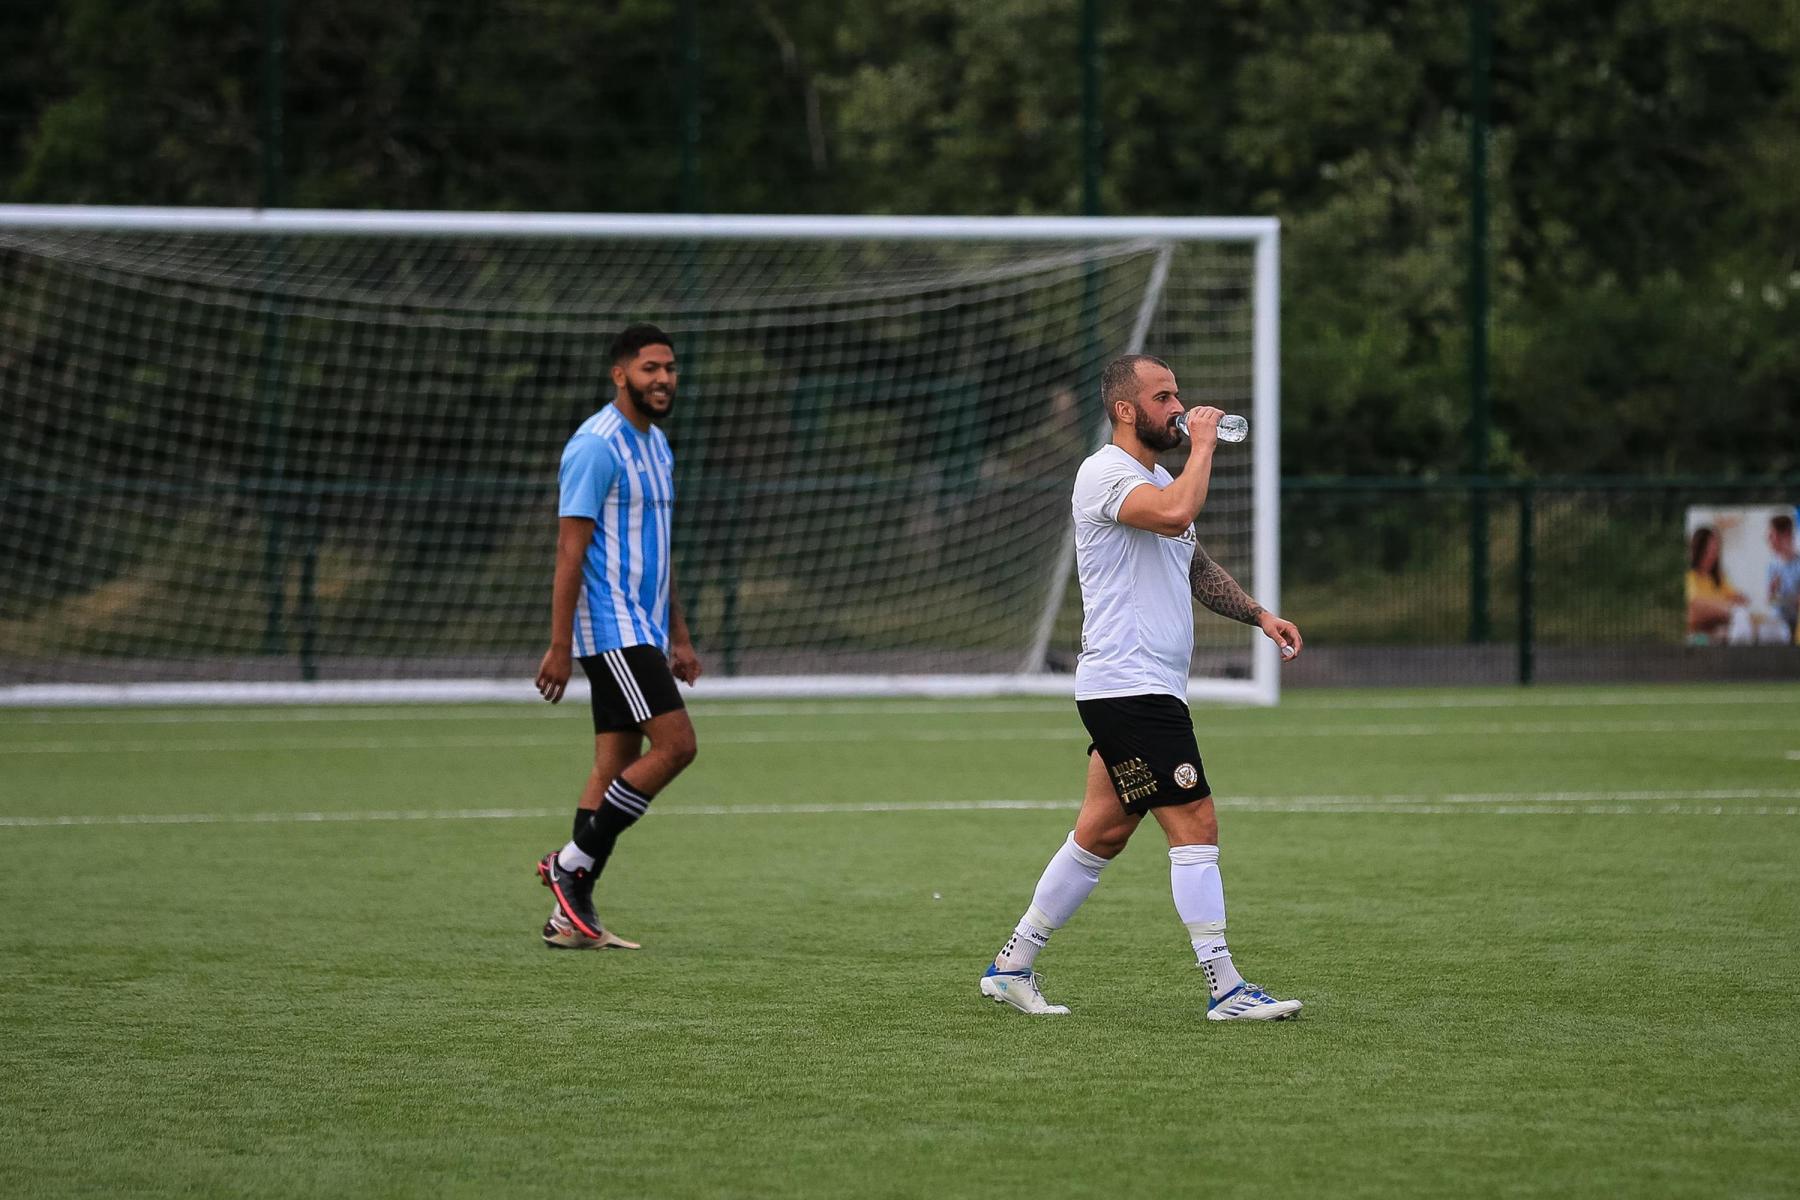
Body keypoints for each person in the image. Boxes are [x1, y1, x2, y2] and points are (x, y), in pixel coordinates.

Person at [979, 354, 1305, 1021]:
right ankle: (1226, 988)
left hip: (1141, 688)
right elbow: (1177, 510)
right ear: (1126, 410)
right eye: (1163, 397)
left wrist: (1259, 615)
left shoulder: (1155, 478)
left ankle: (1012, 965)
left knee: (1101, 832)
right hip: (1130, 688)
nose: (1179, 408)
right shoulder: (1106, 473)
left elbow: (1196, 563)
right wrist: (1206, 444)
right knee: (1196, 822)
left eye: (1178, 394)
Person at [532, 323, 702, 950]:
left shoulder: (657, 445)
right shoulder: (595, 446)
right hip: (610, 626)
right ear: (620, 374)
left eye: (671, 368)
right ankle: (570, 864)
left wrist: (679, 635)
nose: (663, 378)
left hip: (645, 628)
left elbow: (660, 552)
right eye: (650, 367)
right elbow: (569, 552)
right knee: (678, 745)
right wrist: (558, 645)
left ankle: (569, 920)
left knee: (612, 763)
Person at [1685, 526, 1747, 643]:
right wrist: (1726, 606)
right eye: (1708, 551)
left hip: (1719, 631)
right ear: (1698, 550)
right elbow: (1694, 604)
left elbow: (1738, 598)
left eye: (1715, 550)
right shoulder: (1690, 577)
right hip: (1698, 635)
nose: (1712, 556)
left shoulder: (1719, 578)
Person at [1766, 513, 1800, 644]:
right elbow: (1771, 600)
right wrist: (1772, 591)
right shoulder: (1772, 566)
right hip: (1779, 624)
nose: (1769, 539)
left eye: (1772, 535)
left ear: (1785, 535)